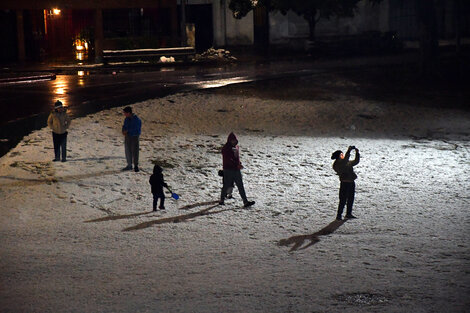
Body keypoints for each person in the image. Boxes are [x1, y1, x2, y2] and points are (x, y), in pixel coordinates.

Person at [219, 132, 255, 207]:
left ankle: (245, 201)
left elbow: (236, 158)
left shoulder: (236, 147)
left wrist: (239, 163)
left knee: (240, 185)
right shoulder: (226, 148)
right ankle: (222, 199)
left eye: (234, 140)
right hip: (228, 169)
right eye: (232, 140)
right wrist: (237, 164)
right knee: (226, 185)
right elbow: (228, 159)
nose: (234, 141)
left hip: (236, 169)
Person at [331, 146, 360, 220]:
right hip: (345, 184)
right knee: (343, 200)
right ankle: (339, 215)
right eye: (342, 154)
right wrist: (349, 150)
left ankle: (348, 213)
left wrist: (357, 153)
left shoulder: (345, 162)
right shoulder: (337, 164)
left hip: (351, 183)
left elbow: (355, 162)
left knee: (351, 199)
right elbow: (345, 161)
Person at [122, 106, 142, 172]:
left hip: (134, 136)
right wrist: (123, 131)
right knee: (128, 150)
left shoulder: (137, 119)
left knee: (135, 151)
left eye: (125, 113)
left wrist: (127, 131)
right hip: (128, 136)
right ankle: (129, 165)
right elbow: (124, 126)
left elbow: (136, 129)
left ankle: (136, 165)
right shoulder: (126, 119)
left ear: (128, 113)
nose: (124, 114)